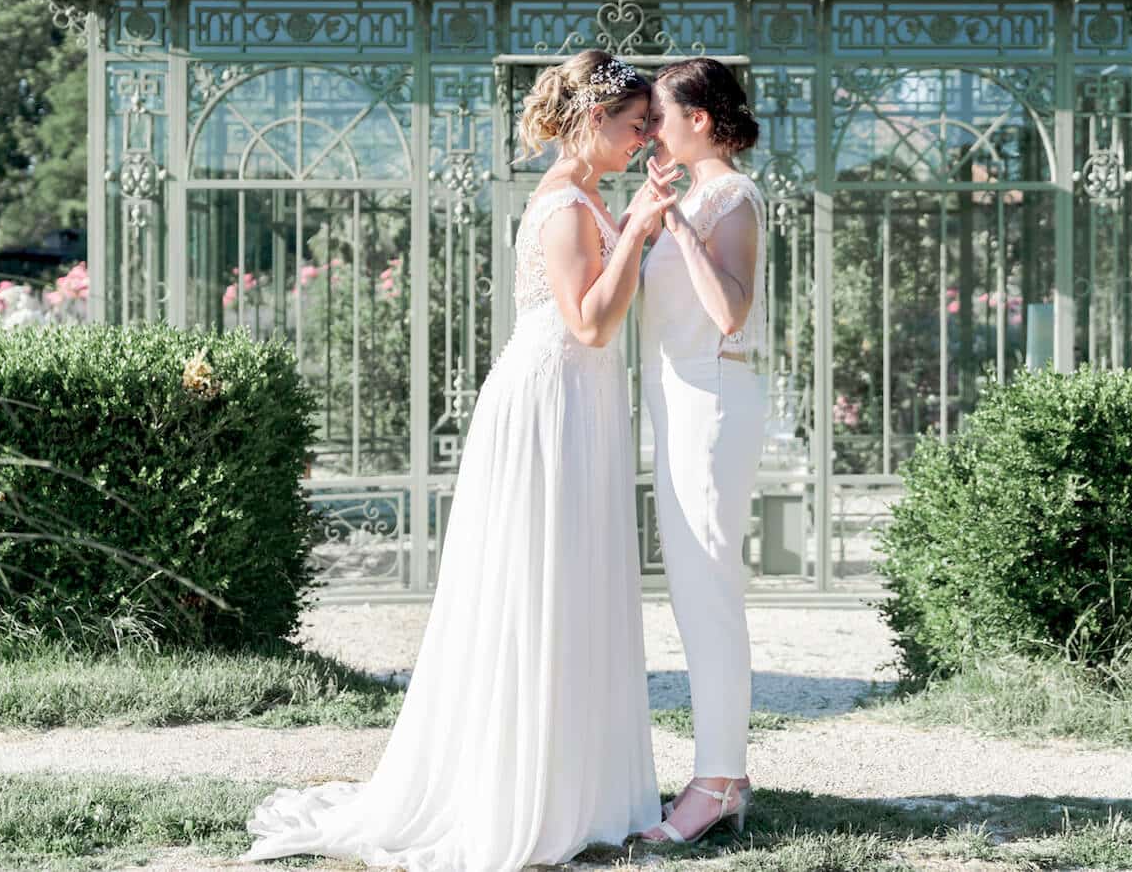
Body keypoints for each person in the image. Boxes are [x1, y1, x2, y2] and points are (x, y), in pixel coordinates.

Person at [245, 49, 680, 871]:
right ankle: (524, 787)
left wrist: (636, 227)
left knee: (577, 582)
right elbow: (591, 324)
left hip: (581, 400)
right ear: (594, 119)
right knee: (542, 583)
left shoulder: (591, 197)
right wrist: (639, 232)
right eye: (634, 125)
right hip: (548, 404)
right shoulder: (564, 205)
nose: (644, 139)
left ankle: (581, 783)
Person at [635, 58, 767, 845]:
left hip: (713, 401)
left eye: (661, 114)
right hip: (678, 402)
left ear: (701, 120)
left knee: (708, 589)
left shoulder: (733, 198)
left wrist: (678, 229)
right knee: (694, 590)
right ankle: (727, 773)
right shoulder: (689, 197)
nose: (652, 128)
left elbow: (729, 311)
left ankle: (717, 780)